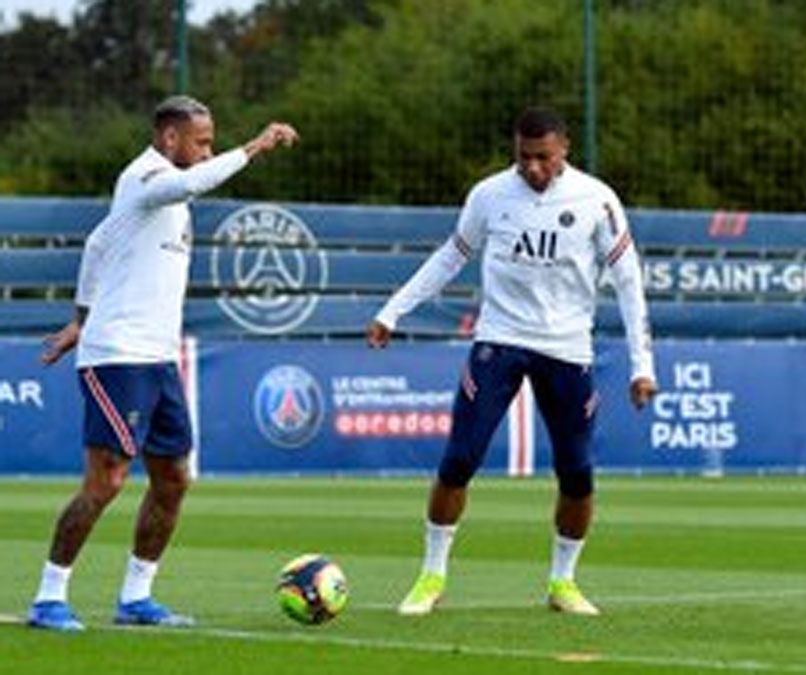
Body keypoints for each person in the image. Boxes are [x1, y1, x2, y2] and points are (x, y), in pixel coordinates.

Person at [367, 106, 657, 616]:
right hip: (498, 340)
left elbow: (629, 282)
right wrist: (393, 311)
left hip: (567, 349)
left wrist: (642, 365)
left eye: (543, 157)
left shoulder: (597, 199)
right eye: (523, 158)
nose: (533, 169)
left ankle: (562, 583)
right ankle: (431, 576)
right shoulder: (489, 195)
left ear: (565, 148)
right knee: (459, 460)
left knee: (578, 473)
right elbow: (451, 256)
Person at [28, 96, 299, 632]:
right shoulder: (145, 177)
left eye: (212, 140)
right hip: (117, 357)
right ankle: (48, 597)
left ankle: (136, 596)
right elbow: (189, 184)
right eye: (201, 141)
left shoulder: (162, 198)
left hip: (157, 357)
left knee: (173, 478)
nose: (208, 150)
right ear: (169, 139)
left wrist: (79, 316)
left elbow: (97, 244)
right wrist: (255, 146)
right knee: (106, 482)